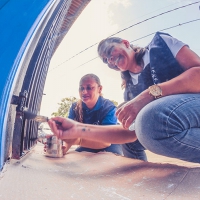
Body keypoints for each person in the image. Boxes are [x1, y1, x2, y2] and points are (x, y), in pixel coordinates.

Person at [48, 32, 200, 163]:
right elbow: (129, 134)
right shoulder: (129, 91)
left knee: (150, 118)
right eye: (106, 60)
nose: (110, 61)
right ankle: (142, 176)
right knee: (131, 127)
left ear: (126, 43)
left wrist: (148, 95)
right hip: (173, 122)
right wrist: (78, 130)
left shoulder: (160, 45)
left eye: (109, 53)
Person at [61, 73, 123, 155]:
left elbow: (106, 142)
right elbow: (70, 135)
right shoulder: (74, 107)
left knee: (110, 162)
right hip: (87, 143)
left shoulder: (109, 108)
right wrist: (63, 149)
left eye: (89, 88)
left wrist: (79, 140)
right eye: (81, 88)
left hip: (109, 145)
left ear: (100, 89)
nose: (84, 92)